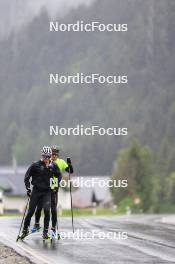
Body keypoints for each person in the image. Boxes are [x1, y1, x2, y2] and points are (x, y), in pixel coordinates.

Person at [21, 146, 61, 240]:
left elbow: (58, 175)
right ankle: (25, 229)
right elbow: (27, 177)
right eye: (44, 157)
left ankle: (45, 232)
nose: (46, 159)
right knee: (30, 212)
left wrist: (55, 186)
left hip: (47, 191)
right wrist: (28, 189)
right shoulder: (35, 165)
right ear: (42, 155)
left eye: (48, 157)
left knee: (47, 211)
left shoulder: (53, 165)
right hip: (36, 191)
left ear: (50, 156)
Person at [32, 145, 74, 236]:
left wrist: (69, 164)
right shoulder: (46, 162)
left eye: (56, 153)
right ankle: (36, 224)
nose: (54, 155)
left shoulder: (61, 162)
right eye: (53, 153)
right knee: (39, 207)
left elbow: (70, 171)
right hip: (44, 188)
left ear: (58, 154)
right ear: (50, 154)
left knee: (53, 210)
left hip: (54, 189)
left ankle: (53, 228)